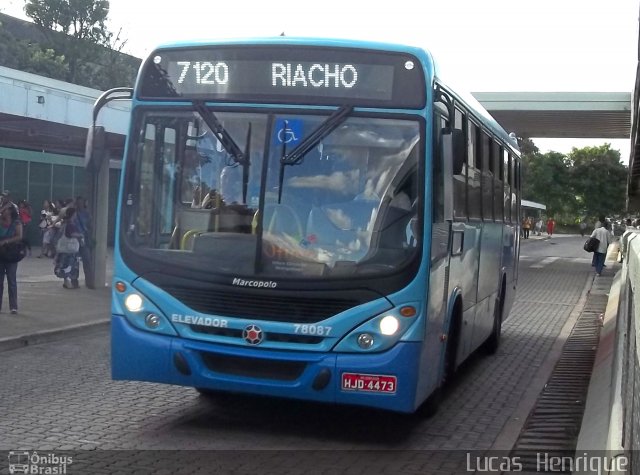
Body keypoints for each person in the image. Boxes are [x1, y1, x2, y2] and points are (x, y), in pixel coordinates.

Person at [0, 206, 23, 313]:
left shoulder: (16, 223)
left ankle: (13, 306)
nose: (3, 211)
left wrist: (6, 241)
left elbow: (19, 236)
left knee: (11, 280)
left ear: (10, 212)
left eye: (5, 210)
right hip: (1, 254)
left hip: (11, 254)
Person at [53, 207, 83, 289]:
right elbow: (72, 234)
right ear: (73, 214)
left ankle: (67, 282)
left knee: (66, 266)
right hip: (69, 250)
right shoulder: (70, 224)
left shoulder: (65, 223)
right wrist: (80, 235)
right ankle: (67, 282)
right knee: (68, 266)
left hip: (65, 249)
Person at [71, 196, 93, 287]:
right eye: (78, 203)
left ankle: (89, 282)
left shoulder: (87, 214)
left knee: (87, 260)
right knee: (74, 261)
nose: (80, 204)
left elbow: (90, 225)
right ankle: (74, 281)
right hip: (75, 239)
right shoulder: (73, 213)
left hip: (84, 238)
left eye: (81, 202)